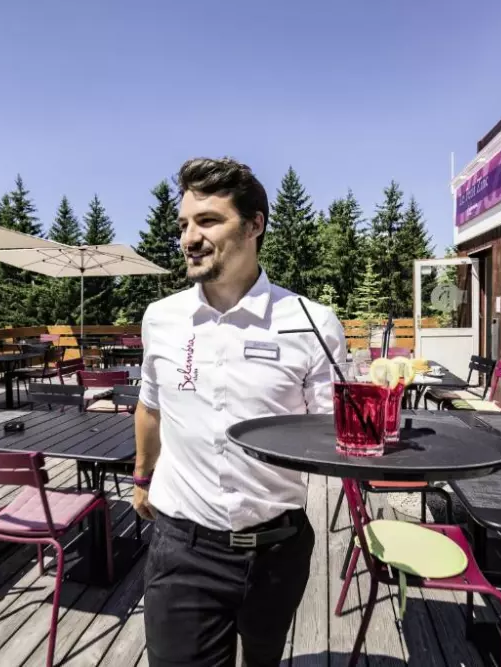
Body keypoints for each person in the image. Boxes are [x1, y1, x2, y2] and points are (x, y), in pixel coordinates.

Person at [134, 158, 346, 667]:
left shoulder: (312, 323)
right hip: (183, 548)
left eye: (208, 221)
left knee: (263, 660)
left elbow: (334, 432)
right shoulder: (161, 318)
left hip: (279, 548)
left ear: (254, 225)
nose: (189, 238)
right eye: (184, 224)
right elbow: (150, 406)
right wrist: (142, 477)